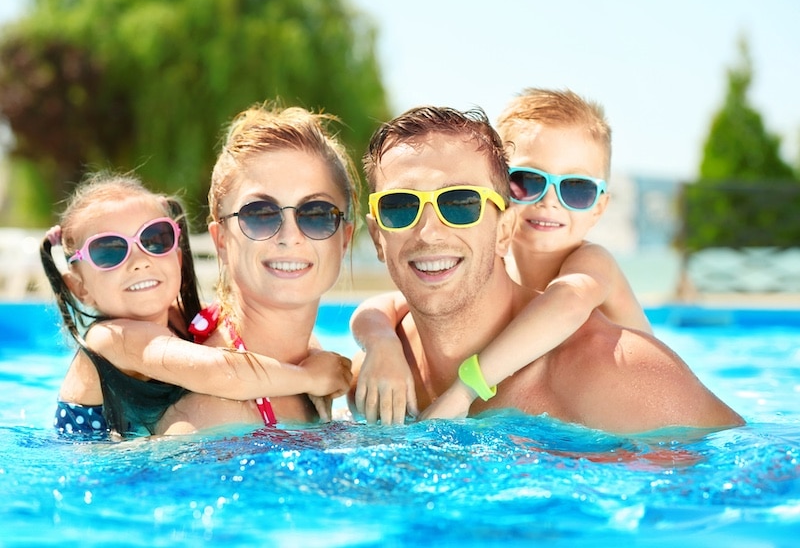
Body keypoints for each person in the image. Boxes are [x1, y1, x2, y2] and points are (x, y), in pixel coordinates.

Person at [350, 105, 744, 435]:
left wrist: (464, 390)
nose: (430, 230)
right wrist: (379, 342)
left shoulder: (618, 372)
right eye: (399, 206)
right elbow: (380, 309)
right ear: (378, 237)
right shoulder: (365, 380)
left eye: (461, 203)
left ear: (505, 227)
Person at [45, 168, 351, 438]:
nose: (140, 261)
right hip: (97, 476)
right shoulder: (111, 339)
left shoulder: (182, 320)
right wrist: (310, 377)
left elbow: (256, 332)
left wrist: (315, 353)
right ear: (79, 287)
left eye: (155, 240)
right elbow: (221, 373)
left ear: (177, 256)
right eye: (109, 251)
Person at [156, 104, 358, 433]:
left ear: (344, 238)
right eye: (260, 213)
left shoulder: (315, 359)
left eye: (317, 213)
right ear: (221, 239)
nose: (290, 236)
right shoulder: (210, 415)